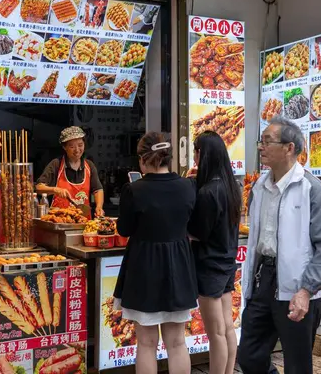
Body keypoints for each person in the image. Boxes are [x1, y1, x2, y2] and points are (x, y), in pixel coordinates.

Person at [238, 116, 321, 374]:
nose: (261, 146)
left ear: (289, 148)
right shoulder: (259, 187)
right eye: (260, 141)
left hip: (297, 286)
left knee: (297, 364)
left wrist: (306, 290)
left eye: (267, 141)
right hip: (264, 281)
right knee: (250, 356)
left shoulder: (312, 189)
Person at [113, 132, 198, 374]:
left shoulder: (134, 190)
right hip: (179, 267)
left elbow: (124, 229)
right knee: (178, 342)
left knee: (147, 343)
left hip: (144, 268)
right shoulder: (188, 186)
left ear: (143, 159)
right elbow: (193, 226)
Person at [187, 131, 241, 374]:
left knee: (215, 332)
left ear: (204, 154)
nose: (195, 156)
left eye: (196, 151)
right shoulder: (231, 186)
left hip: (209, 265)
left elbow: (199, 232)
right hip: (227, 261)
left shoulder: (208, 192)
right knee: (227, 328)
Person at [36, 126, 104, 217]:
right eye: (72, 146)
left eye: (80, 145)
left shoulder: (89, 166)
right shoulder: (56, 164)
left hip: (84, 222)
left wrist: (99, 206)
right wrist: (55, 190)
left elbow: (97, 190)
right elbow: (39, 188)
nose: (77, 150)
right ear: (64, 147)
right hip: (60, 221)